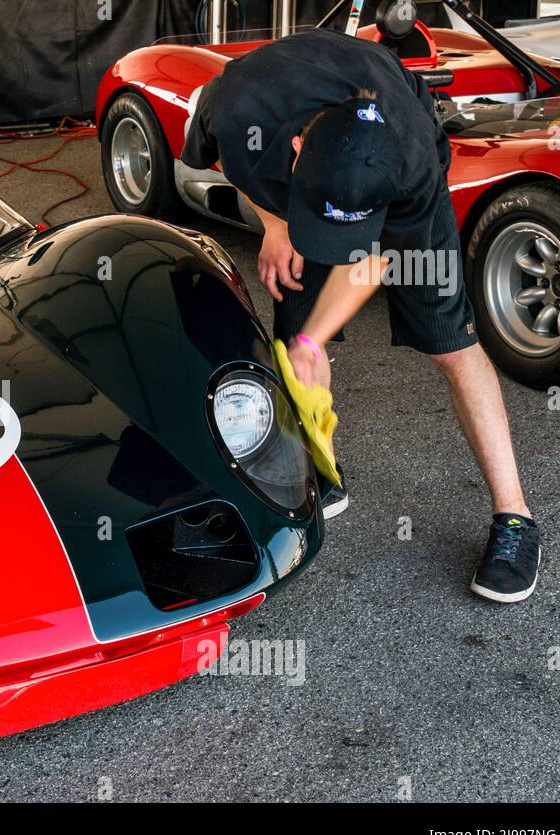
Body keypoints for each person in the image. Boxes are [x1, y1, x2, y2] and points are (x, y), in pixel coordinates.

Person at [181, 28, 540, 603]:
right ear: (294, 150)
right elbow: (223, 158)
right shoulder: (238, 110)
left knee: (451, 343)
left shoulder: (410, 163)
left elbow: (374, 262)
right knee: (295, 331)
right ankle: (322, 470)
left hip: (400, 151)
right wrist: (275, 223)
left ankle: (515, 518)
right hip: (291, 143)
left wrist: (314, 340)